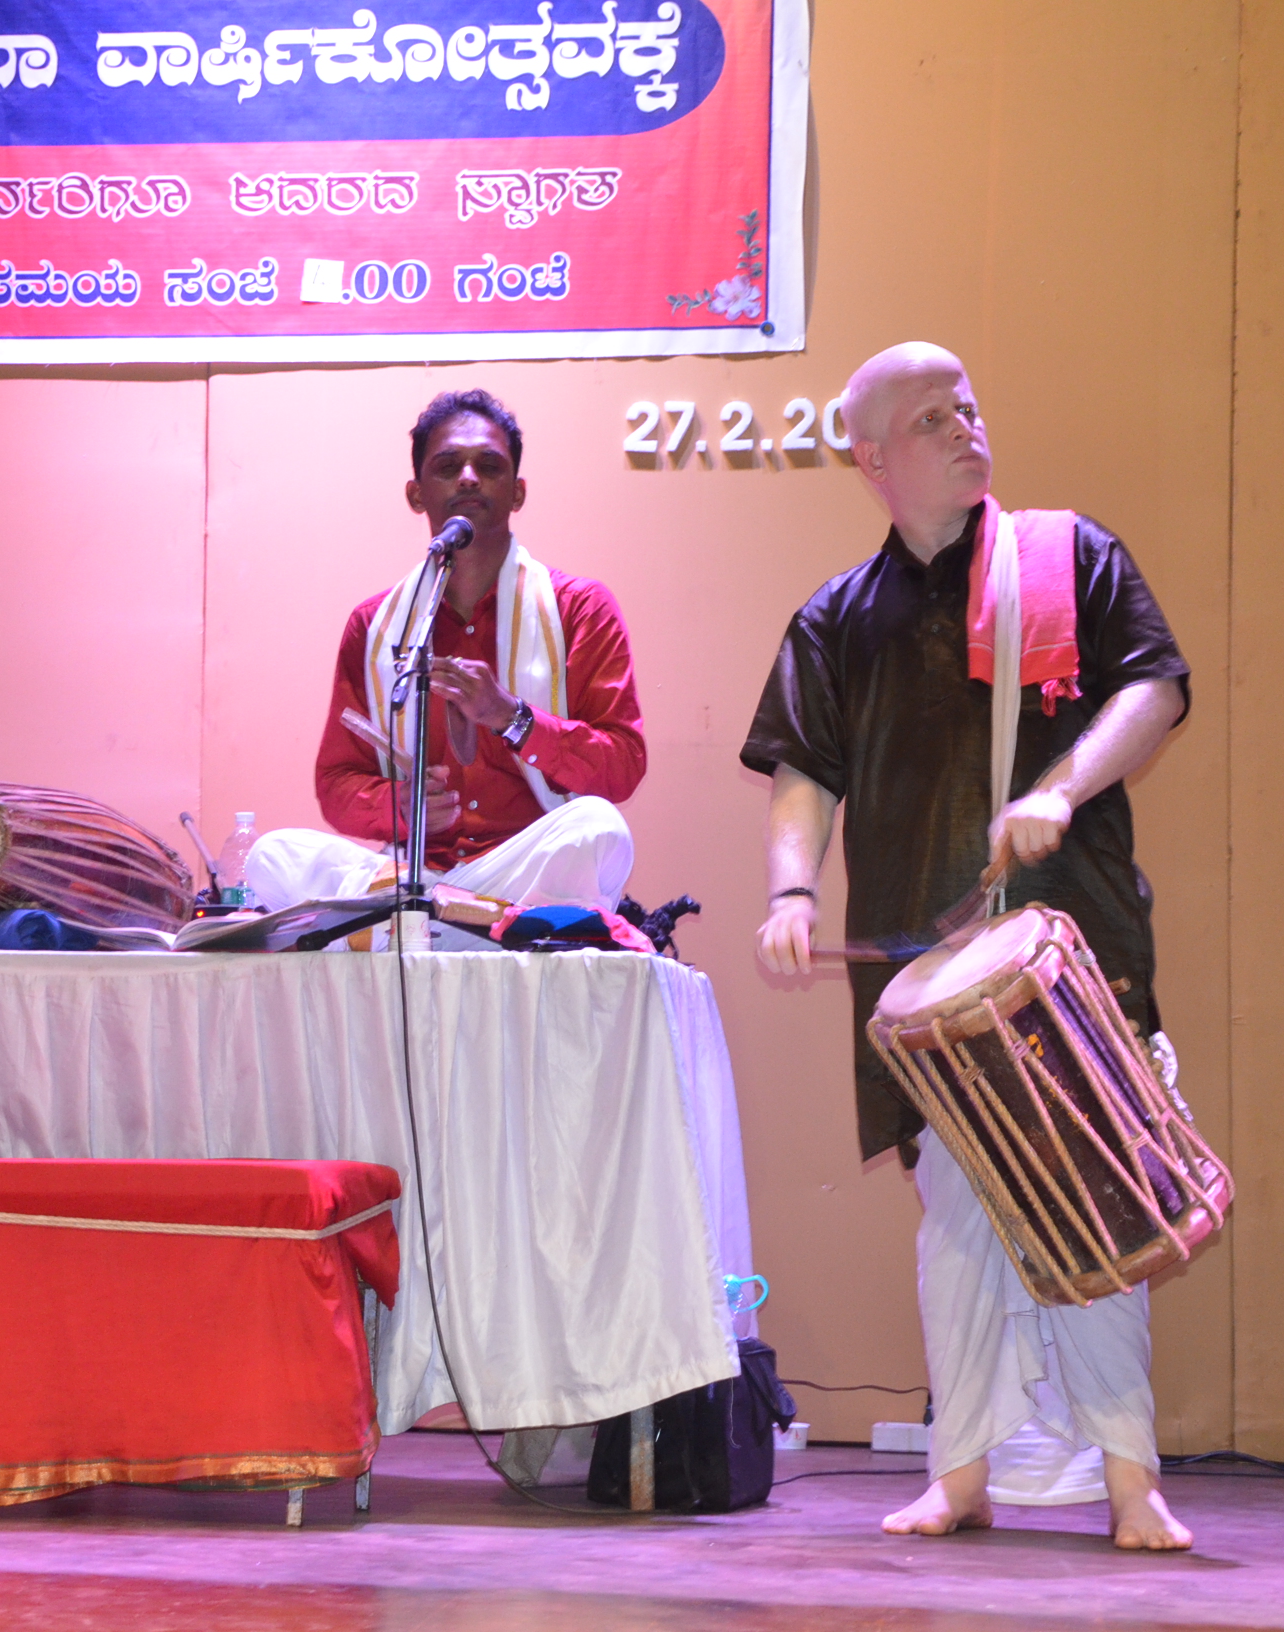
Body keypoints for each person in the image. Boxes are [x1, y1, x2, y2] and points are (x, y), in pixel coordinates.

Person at [743, 343, 1195, 1550]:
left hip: (1068, 946)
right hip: (924, 979)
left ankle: (1130, 1480)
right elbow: (803, 772)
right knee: (954, 1230)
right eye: (930, 420)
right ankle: (962, 1474)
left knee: (1095, 1207)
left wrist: (1060, 787)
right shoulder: (837, 618)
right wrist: (790, 890)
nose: (963, 429)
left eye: (968, 408)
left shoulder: (1067, 556)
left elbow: (1153, 690)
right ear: (871, 459)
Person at [244, 389, 645, 915]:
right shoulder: (374, 625)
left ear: (518, 492)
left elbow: (622, 766)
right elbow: (337, 782)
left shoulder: (580, 607)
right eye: (449, 466)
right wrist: (400, 807)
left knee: (600, 830)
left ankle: (446, 921)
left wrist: (513, 718)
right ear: (416, 494)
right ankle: (450, 917)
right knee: (272, 856)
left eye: (489, 466)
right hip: (412, 873)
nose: (469, 478)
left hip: (521, 867)